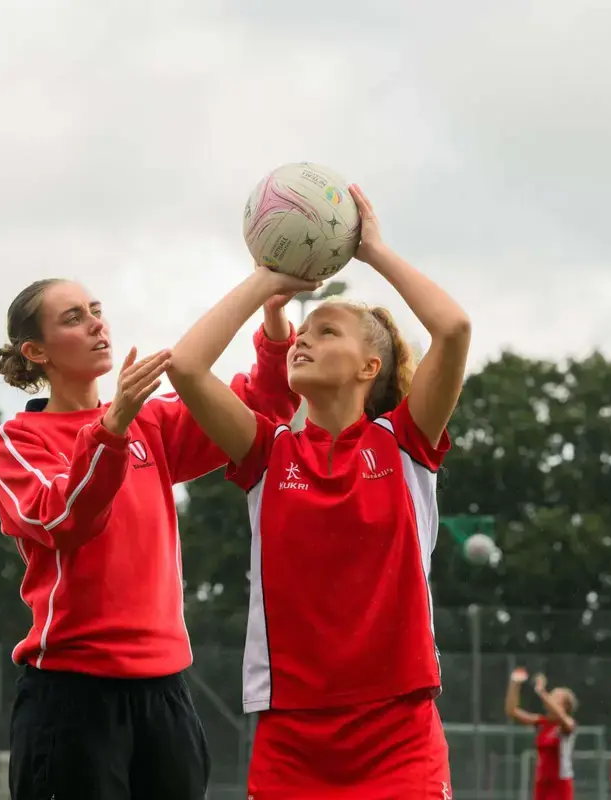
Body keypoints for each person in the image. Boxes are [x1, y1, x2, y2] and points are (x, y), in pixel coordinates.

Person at [167, 185, 471, 798]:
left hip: (399, 732)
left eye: (326, 331)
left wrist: (374, 251)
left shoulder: (405, 443)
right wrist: (265, 281)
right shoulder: (268, 452)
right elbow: (187, 367)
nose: (304, 340)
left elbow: (454, 328)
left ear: (370, 368)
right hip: (292, 737)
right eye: (304, 333)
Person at [0, 277, 308, 800]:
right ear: (35, 351)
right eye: (73, 318)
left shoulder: (150, 424)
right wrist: (112, 429)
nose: (96, 323)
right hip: (72, 694)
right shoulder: (18, 441)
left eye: (95, 309)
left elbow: (257, 408)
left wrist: (273, 323)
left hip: (166, 692)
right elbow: (63, 518)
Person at [504, 667, 578, 800]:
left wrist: (541, 691)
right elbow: (512, 711)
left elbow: (562, 718)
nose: (550, 698)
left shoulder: (568, 724)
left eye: (555, 696)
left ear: (565, 706)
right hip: (542, 782)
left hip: (560, 784)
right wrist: (514, 684)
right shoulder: (542, 723)